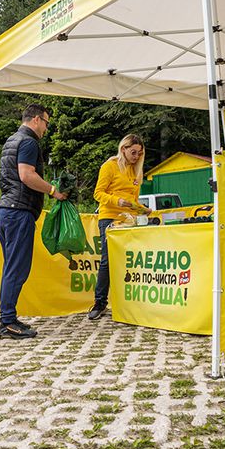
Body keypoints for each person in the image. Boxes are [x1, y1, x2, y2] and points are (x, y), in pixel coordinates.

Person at [0, 104, 68, 339]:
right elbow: (27, 175)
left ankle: (6, 317)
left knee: (11, 268)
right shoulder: (29, 142)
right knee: (17, 269)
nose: (46, 128)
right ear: (36, 119)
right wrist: (53, 190)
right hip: (19, 212)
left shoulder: (11, 140)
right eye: (46, 123)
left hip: (6, 211)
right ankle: (7, 322)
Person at [89, 134, 149, 320]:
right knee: (107, 260)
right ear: (123, 149)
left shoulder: (136, 171)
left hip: (130, 219)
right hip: (110, 217)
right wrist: (117, 201)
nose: (136, 157)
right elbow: (98, 193)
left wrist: (143, 210)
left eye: (140, 153)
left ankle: (129, 302)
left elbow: (134, 200)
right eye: (133, 152)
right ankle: (99, 303)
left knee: (131, 261)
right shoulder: (110, 166)